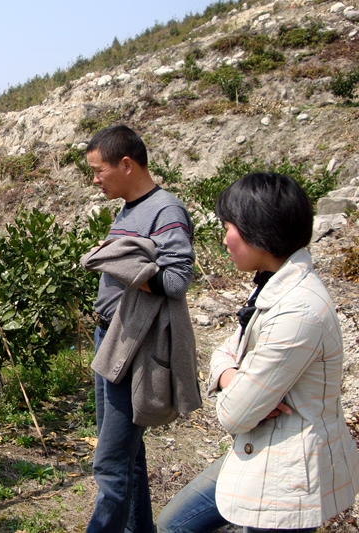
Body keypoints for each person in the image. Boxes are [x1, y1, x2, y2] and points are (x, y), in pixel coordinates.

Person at [156, 172, 359, 533]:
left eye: (228, 226)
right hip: (259, 449)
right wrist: (232, 375)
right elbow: (225, 351)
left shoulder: (298, 310)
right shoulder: (274, 285)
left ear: (257, 229)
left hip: (287, 473)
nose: (224, 239)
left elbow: (234, 414)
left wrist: (234, 387)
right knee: (174, 523)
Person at [80, 125, 199, 533]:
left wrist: (122, 266)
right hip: (111, 339)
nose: (94, 179)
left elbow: (177, 279)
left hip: (132, 347)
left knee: (110, 463)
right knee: (127, 457)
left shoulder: (165, 210)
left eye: (98, 170)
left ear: (126, 164)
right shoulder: (130, 208)